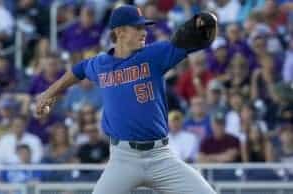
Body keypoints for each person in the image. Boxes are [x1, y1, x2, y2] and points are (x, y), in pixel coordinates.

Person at [36, 4, 217, 194]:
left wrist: (200, 23)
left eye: (144, 27)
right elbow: (79, 70)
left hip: (160, 156)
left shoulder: (154, 55)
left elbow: (183, 40)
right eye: (138, 28)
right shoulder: (101, 64)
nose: (144, 32)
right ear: (120, 32)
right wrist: (50, 92)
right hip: (123, 159)